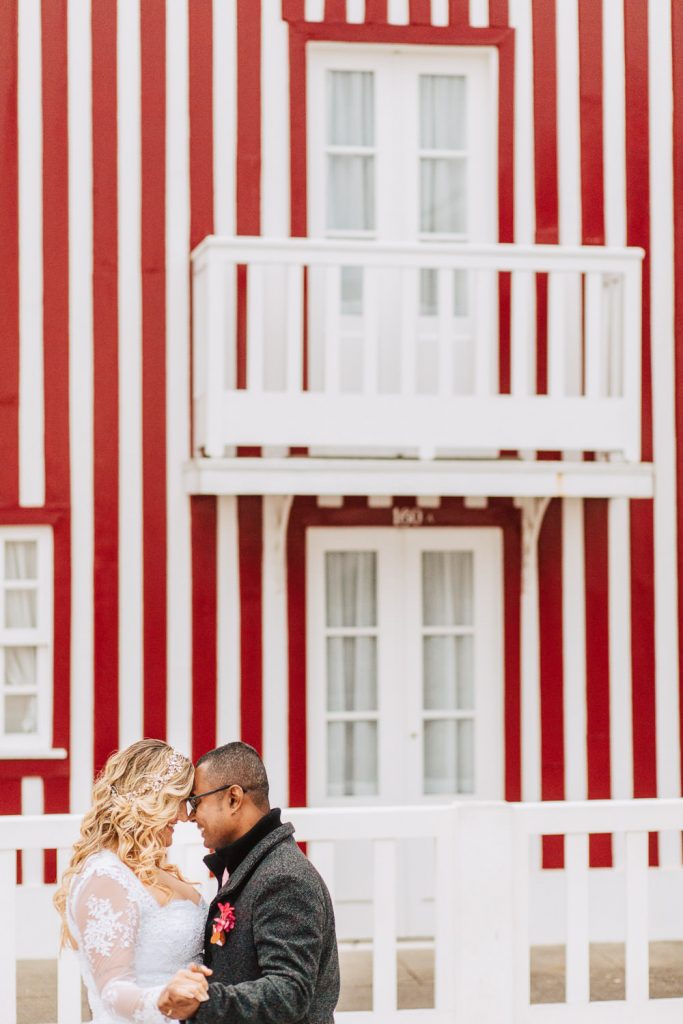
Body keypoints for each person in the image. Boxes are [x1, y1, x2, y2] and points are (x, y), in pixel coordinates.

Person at [159, 741, 340, 1024]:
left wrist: (203, 1004)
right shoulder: (253, 865)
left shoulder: (284, 877)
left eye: (197, 801)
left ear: (233, 799)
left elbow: (289, 993)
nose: (191, 815)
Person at [54, 739, 212, 1023]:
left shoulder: (154, 870)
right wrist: (162, 999)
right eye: (177, 800)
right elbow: (113, 990)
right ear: (148, 799)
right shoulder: (105, 878)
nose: (184, 816)